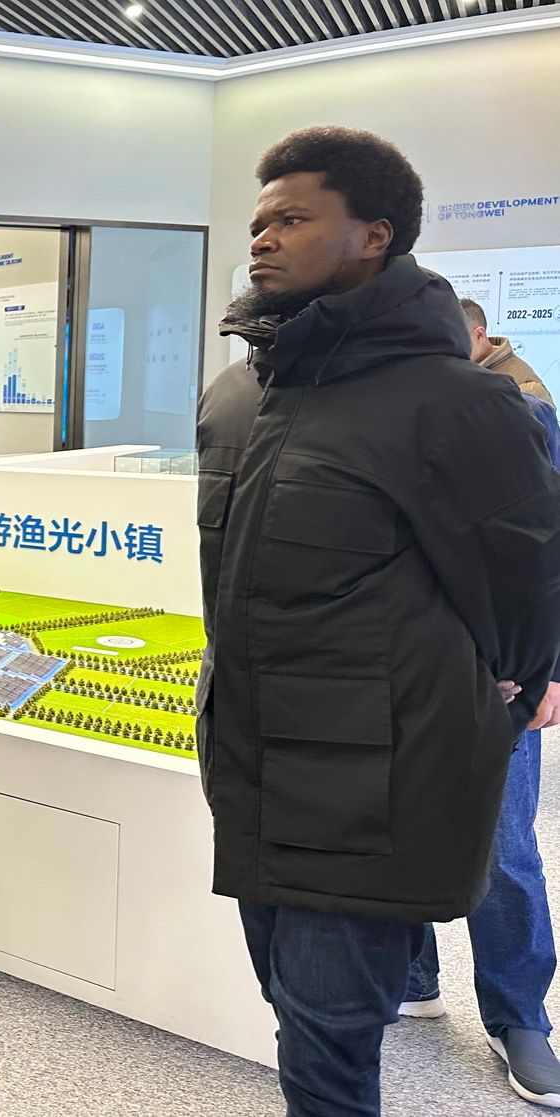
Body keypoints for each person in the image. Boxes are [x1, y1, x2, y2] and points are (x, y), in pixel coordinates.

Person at [198, 125, 560, 1117]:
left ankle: (516, 1010)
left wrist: (495, 702)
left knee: (330, 1044)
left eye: (292, 218)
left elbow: (527, 586)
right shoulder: (234, 397)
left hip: (372, 777)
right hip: (249, 755)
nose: (263, 238)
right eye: (259, 221)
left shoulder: (457, 404)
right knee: (290, 1007)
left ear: (374, 236)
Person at [397, 327, 560, 1108]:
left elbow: (549, 548)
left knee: (501, 844)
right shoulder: (374, 409)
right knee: (396, 822)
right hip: (404, 664)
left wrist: (550, 667)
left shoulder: (516, 410)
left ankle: (519, 1014)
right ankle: (412, 976)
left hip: (501, 670)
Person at [459, 296, 553, 404]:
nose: (448, 348)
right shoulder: (459, 370)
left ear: (479, 335)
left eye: (455, 340)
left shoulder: (527, 391)